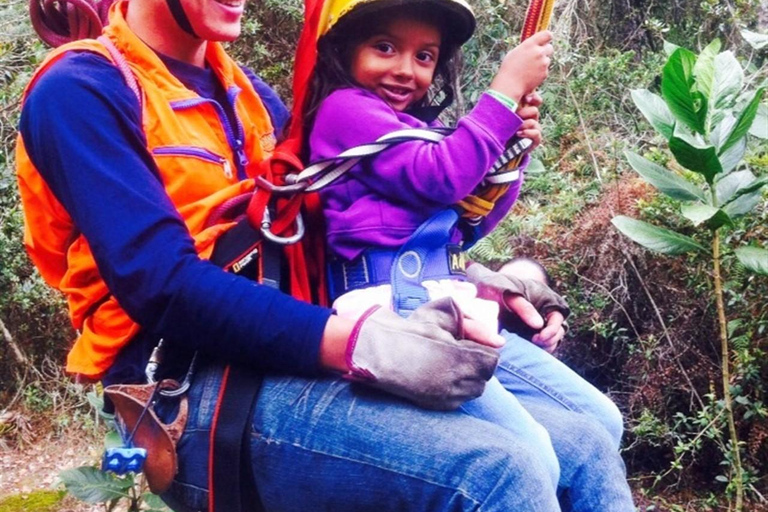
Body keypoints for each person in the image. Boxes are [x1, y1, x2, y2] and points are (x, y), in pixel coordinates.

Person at [15, 0, 630, 511]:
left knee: (586, 442)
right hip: (181, 382)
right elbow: (161, 285)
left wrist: (484, 285)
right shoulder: (81, 91)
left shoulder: (249, 97)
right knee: (501, 470)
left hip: (280, 352)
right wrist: (358, 343)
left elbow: (357, 235)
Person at [305, 0, 635, 509]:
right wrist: (503, 93)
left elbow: (466, 223)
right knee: (533, 457)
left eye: (424, 56)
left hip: (454, 310)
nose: (404, 69)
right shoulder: (346, 112)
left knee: (602, 420)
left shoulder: (408, 132)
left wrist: (511, 155)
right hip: (399, 324)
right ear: (344, 51)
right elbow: (442, 176)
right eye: (385, 47)